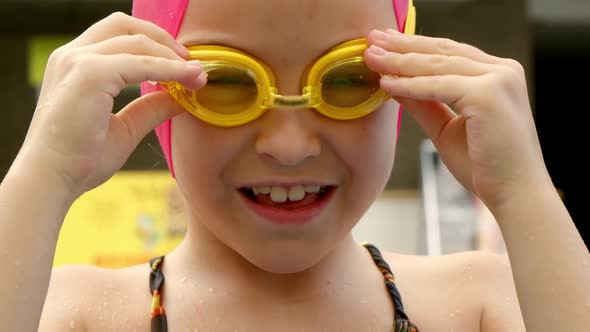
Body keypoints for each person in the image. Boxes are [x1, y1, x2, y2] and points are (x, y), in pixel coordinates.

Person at [0, 0, 588, 331]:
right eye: (228, 81)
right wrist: (44, 176)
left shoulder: (481, 303)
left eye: (348, 79)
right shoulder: (74, 314)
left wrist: (521, 191)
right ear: (159, 90)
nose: (288, 144)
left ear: (403, 89)